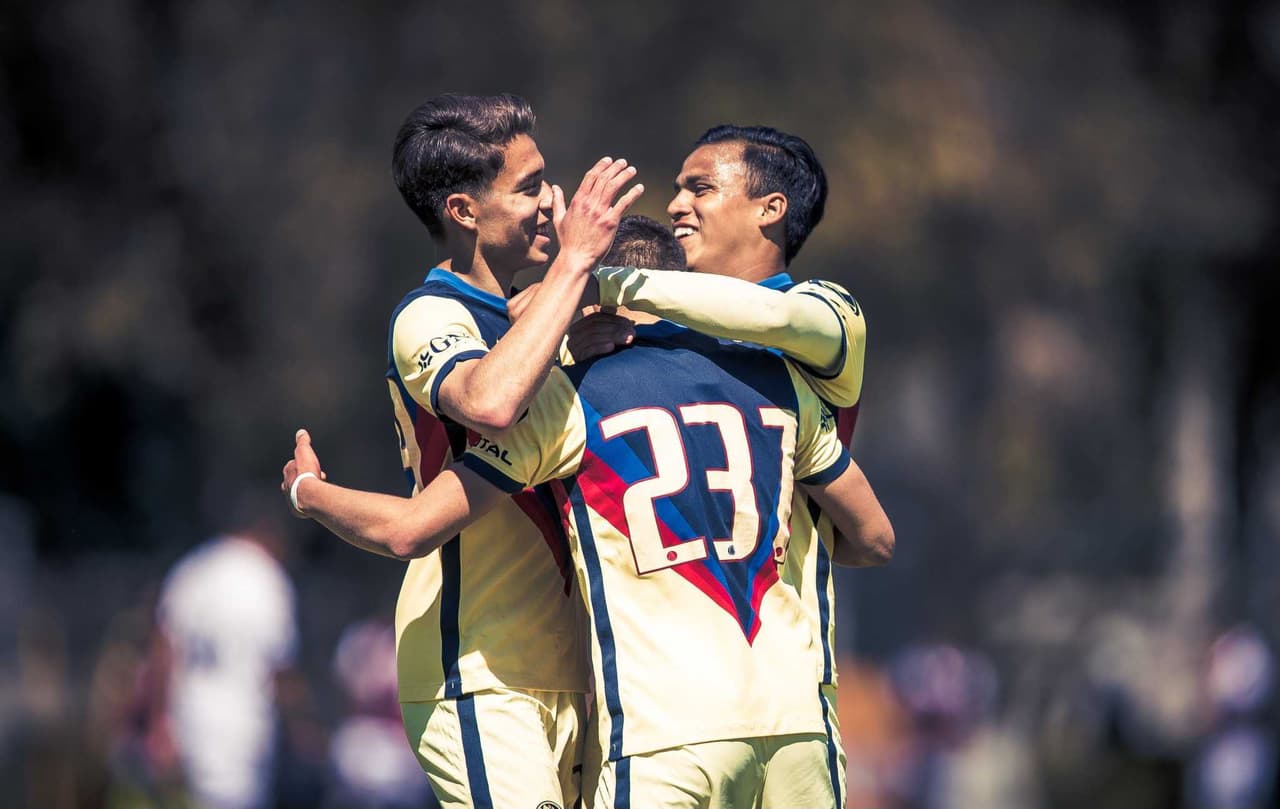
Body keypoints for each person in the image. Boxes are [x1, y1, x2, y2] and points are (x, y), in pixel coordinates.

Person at [281, 317, 892, 808]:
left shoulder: (572, 396)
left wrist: (306, 490)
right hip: (798, 726)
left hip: (668, 735)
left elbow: (411, 529)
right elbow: (874, 539)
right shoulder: (778, 382)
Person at [381, 93, 641, 809]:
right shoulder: (430, 314)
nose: (555, 204)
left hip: (579, 676)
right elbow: (491, 403)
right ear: (463, 211)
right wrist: (577, 265)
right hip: (477, 669)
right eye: (530, 188)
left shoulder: (543, 314)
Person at [155, 492, 299, 809]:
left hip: (189, 716)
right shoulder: (266, 577)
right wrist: (300, 727)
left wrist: (160, 720)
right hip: (245, 722)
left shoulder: (192, 570)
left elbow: (164, 649)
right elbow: (280, 667)